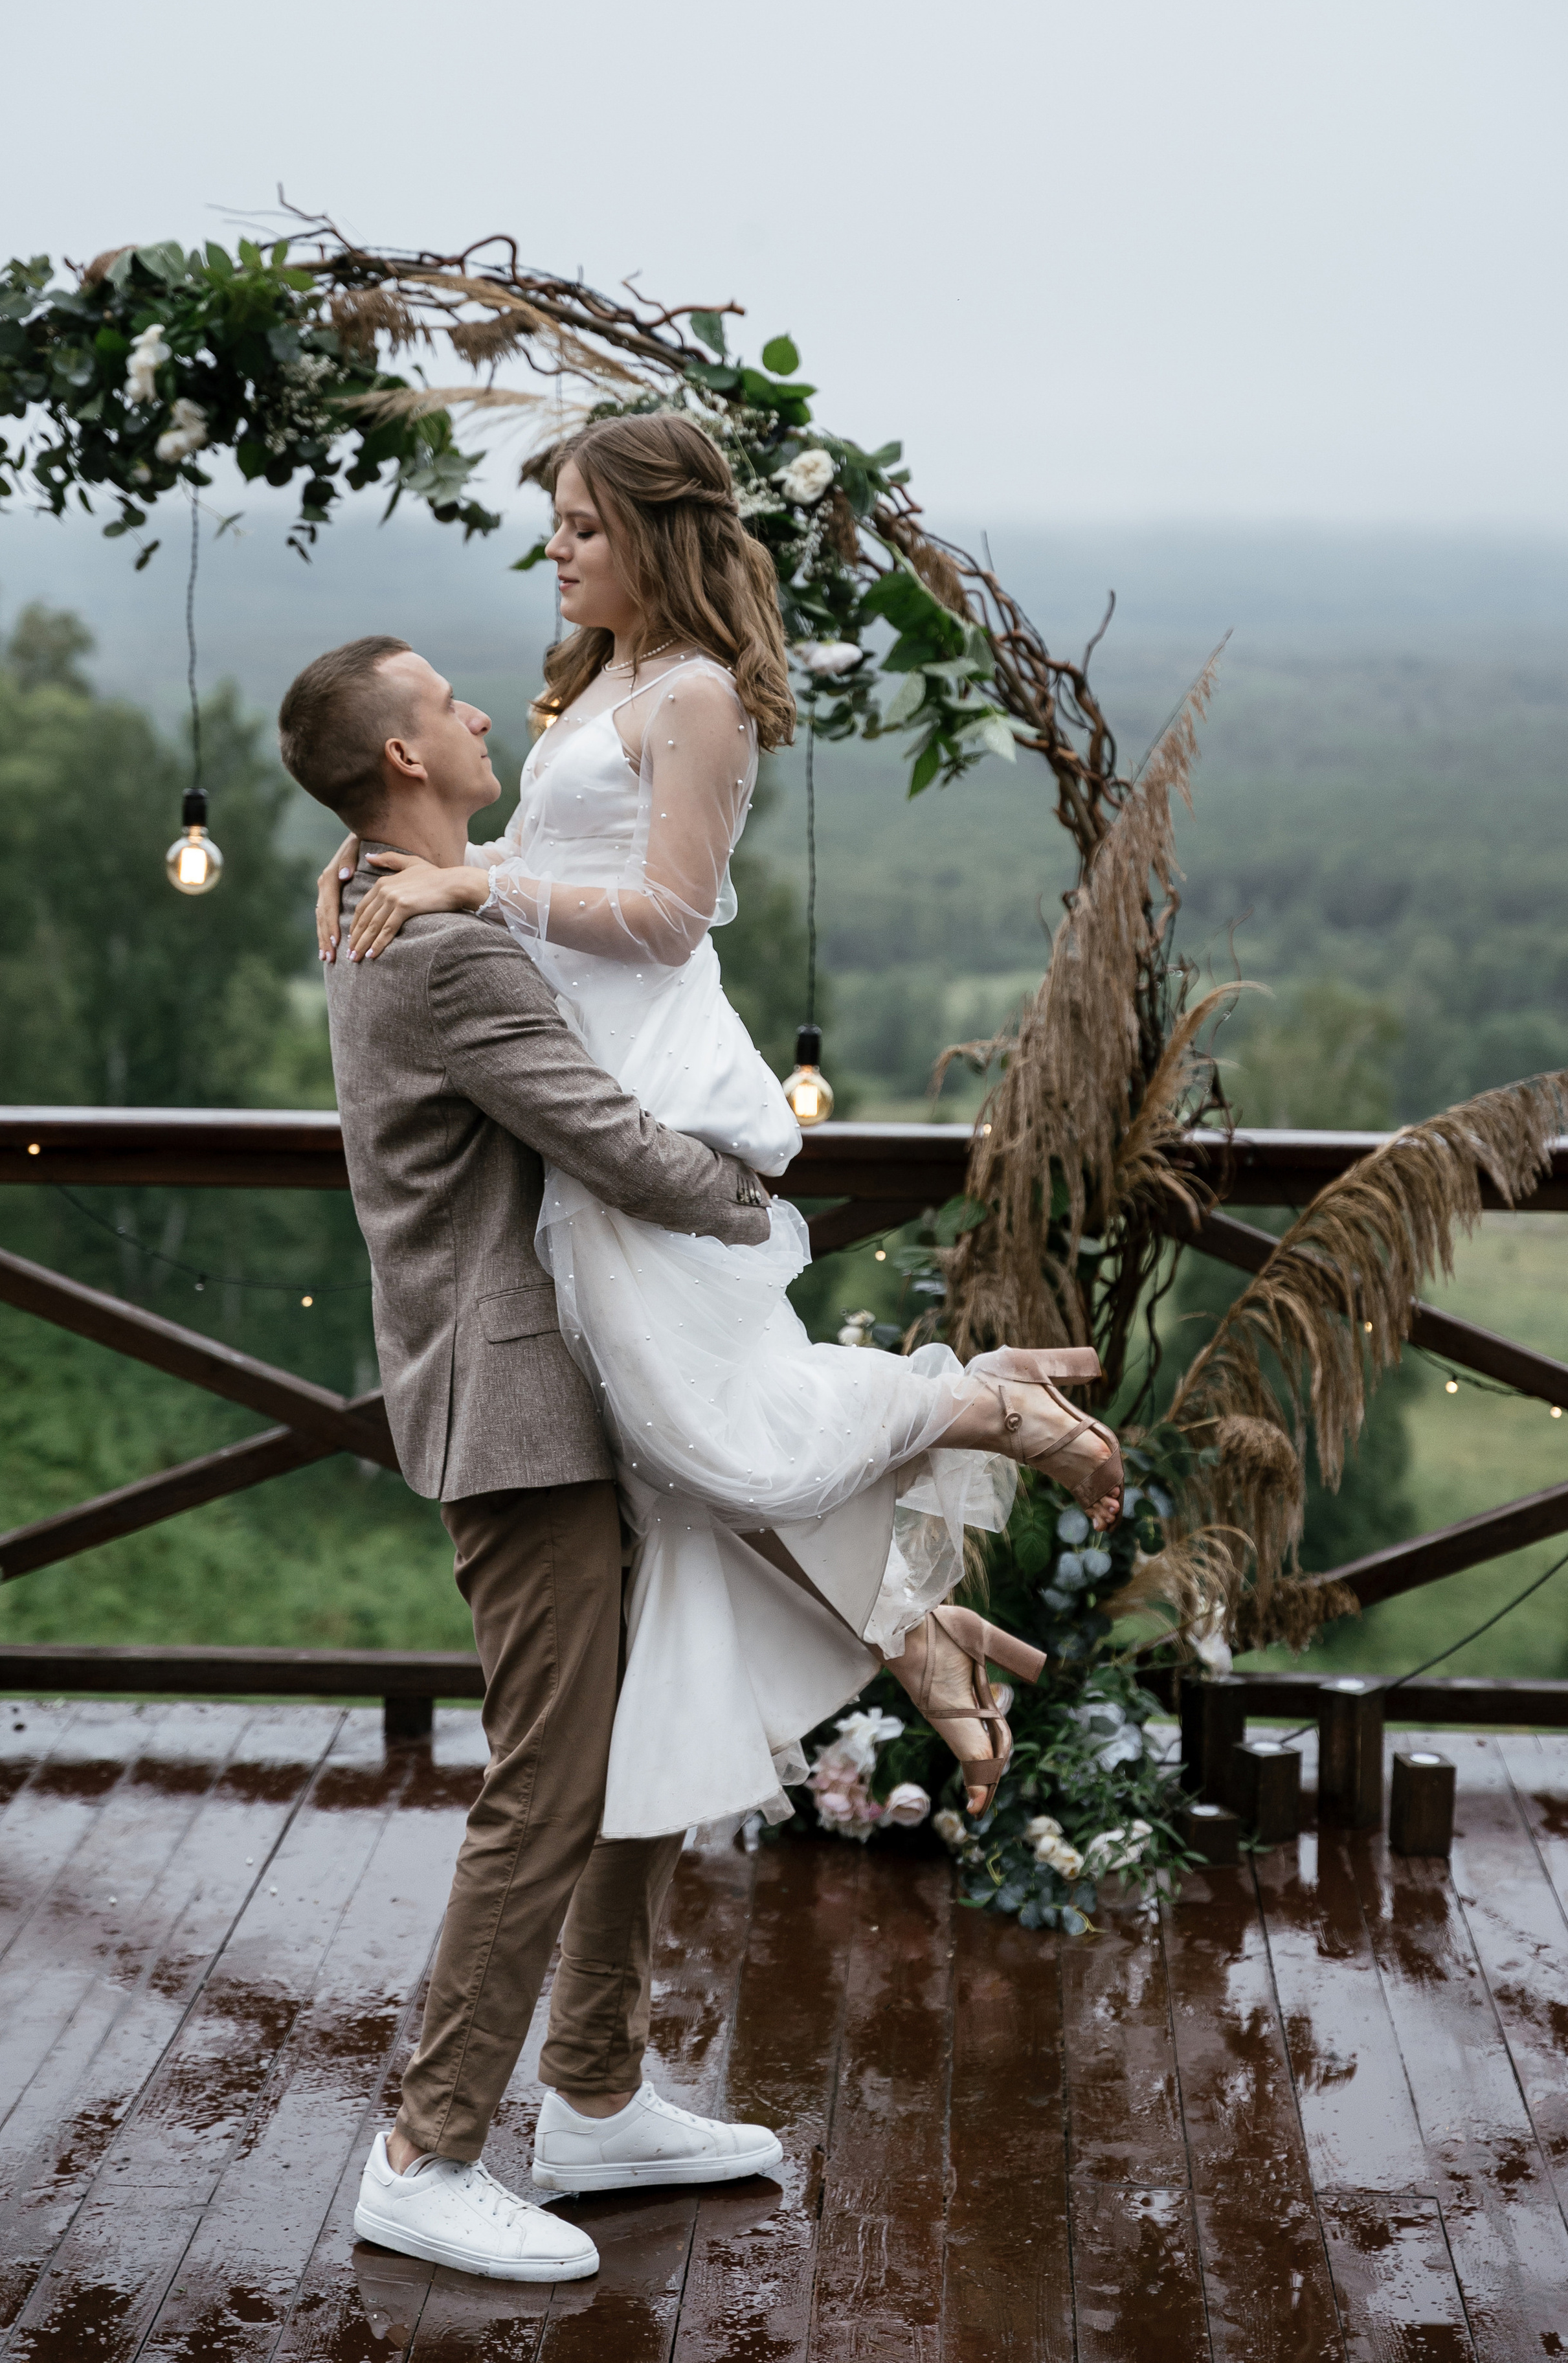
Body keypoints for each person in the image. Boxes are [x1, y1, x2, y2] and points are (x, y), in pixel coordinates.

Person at [313, 412, 1122, 1859]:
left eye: (579, 525)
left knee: (709, 1439)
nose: (553, 550)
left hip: (653, 1093)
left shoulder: (694, 694)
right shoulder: (601, 677)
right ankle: (912, 1633)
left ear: (653, 534)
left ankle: (971, 1404)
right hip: (582, 1086)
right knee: (679, 1462)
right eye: (552, 524)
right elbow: (554, 860)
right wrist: (405, 865)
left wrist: (468, 894)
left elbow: (669, 916)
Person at [279, 637, 788, 2285]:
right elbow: (612, 1142)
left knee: (623, 1738)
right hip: (519, 1406)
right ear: (406, 757)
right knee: (548, 1779)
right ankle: (428, 2154)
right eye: (447, 702)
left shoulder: (369, 886)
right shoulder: (441, 960)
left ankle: (594, 2089)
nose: (484, 710)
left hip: (545, 1381)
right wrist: (760, 1194)